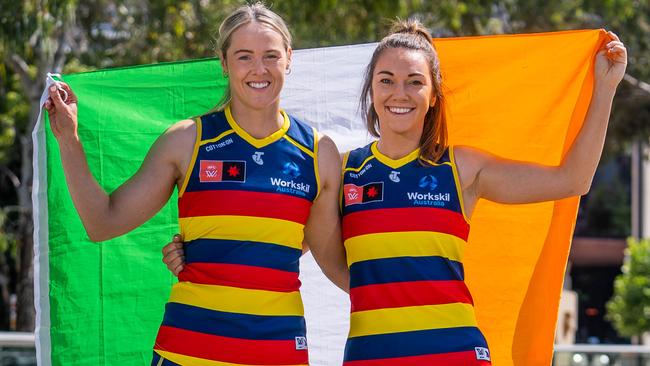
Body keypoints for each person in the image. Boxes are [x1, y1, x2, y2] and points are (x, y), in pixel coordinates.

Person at [164, 18, 626, 365]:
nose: (398, 93)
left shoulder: (462, 168)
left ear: (433, 94)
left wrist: (604, 90)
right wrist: (199, 251)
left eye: (414, 82)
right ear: (371, 89)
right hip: (370, 354)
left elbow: (573, 180)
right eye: (386, 80)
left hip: (453, 353)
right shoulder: (345, 172)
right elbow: (279, 232)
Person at [44, 3, 348, 366]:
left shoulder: (318, 153)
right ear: (223, 62)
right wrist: (68, 138)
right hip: (187, 353)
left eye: (270, 55)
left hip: (276, 353)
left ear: (289, 58)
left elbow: (323, 254)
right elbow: (102, 222)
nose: (259, 69)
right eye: (244, 56)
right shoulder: (187, 141)